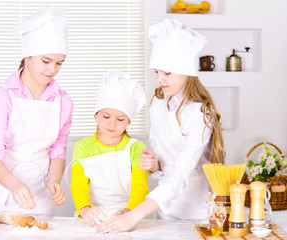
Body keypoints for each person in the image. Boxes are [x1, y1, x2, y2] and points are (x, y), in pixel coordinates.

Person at [97, 18, 226, 233]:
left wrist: (136, 213)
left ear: (187, 71)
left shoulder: (201, 114)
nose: (159, 79)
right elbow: (160, 154)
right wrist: (154, 164)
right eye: (156, 71)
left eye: (167, 73)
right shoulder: (158, 103)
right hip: (164, 207)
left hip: (198, 210)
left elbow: (182, 172)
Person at [0, 7, 73, 216]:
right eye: (45, 61)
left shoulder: (63, 101)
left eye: (59, 63)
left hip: (39, 191)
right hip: (0, 188)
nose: (52, 70)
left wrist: (55, 180)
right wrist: (14, 185)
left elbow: (58, 148)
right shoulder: (5, 95)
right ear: (28, 55)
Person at [70, 70, 149, 226]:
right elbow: (78, 183)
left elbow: (140, 185)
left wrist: (129, 212)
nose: (112, 123)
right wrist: (84, 209)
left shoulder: (136, 147)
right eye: (106, 116)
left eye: (120, 119)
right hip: (92, 215)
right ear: (96, 115)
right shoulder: (83, 146)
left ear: (128, 121)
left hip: (128, 215)